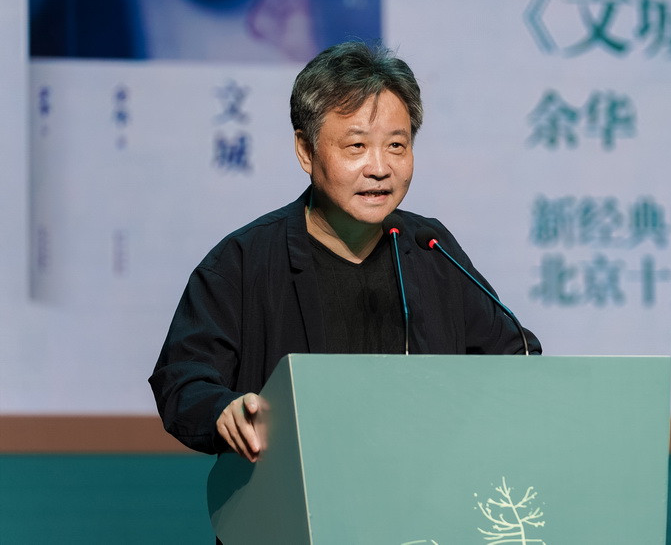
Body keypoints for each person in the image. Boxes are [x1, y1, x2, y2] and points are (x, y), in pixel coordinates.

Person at [149, 42, 541, 462]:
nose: (379, 168)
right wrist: (223, 410)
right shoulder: (243, 262)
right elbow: (183, 381)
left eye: (396, 146)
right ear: (306, 151)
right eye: (357, 146)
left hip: (426, 490)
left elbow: (516, 356)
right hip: (295, 491)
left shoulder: (431, 249)